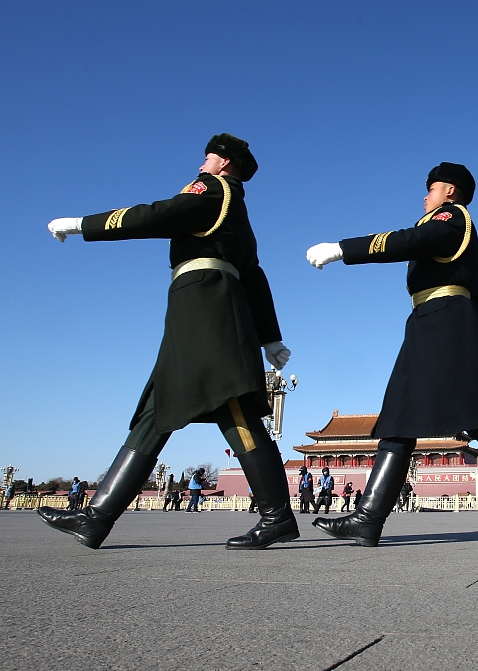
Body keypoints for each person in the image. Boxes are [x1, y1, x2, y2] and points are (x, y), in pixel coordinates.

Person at [37, 134, 298, 550]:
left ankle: (277, 517)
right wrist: (270, 337)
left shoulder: (212, 189)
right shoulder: (237, 214)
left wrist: (85, 224)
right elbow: (255, 275)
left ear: (225, 163)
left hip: (208, 304)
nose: (202, 162)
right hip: (198, 304)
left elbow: (160, 214)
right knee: (157, 409)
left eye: (209, 156)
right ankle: (96, 518)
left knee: (233, 401)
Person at [306, 162, 478, 546]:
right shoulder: (447, 227)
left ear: (449, 192)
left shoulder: (451, 218)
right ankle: (368, 518)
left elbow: (408, 242)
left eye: (431, 189)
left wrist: (343, 249)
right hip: (428, 323)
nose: (425, 196)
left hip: (450, 325)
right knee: (398, 419)